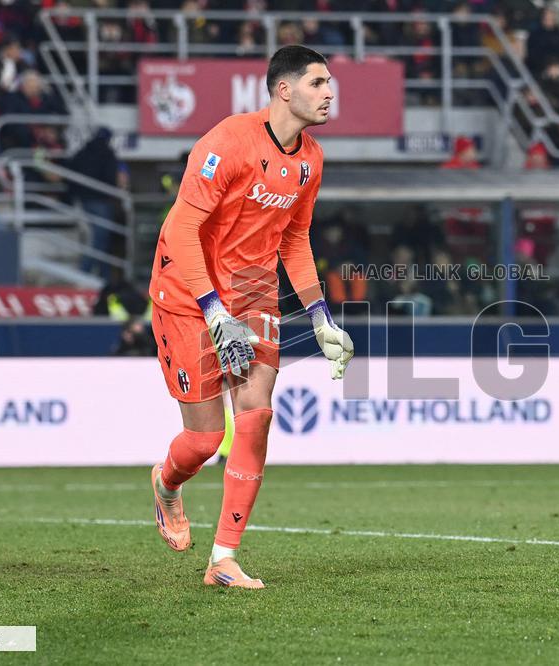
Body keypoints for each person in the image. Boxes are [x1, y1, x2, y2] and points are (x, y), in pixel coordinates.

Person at [147, 45, 353, 589]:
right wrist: (212, 308)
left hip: (255, 289)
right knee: (205, 440)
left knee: (257, 413)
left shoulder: (311, 158)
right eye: (318, 82)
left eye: (329, 82)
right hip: (187, 291)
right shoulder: (227, 142)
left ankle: (223, 558)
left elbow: (296, 238)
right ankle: (167, 485)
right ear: (283, 90)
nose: (329, 92)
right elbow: (182, 230)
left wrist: (319, 316)